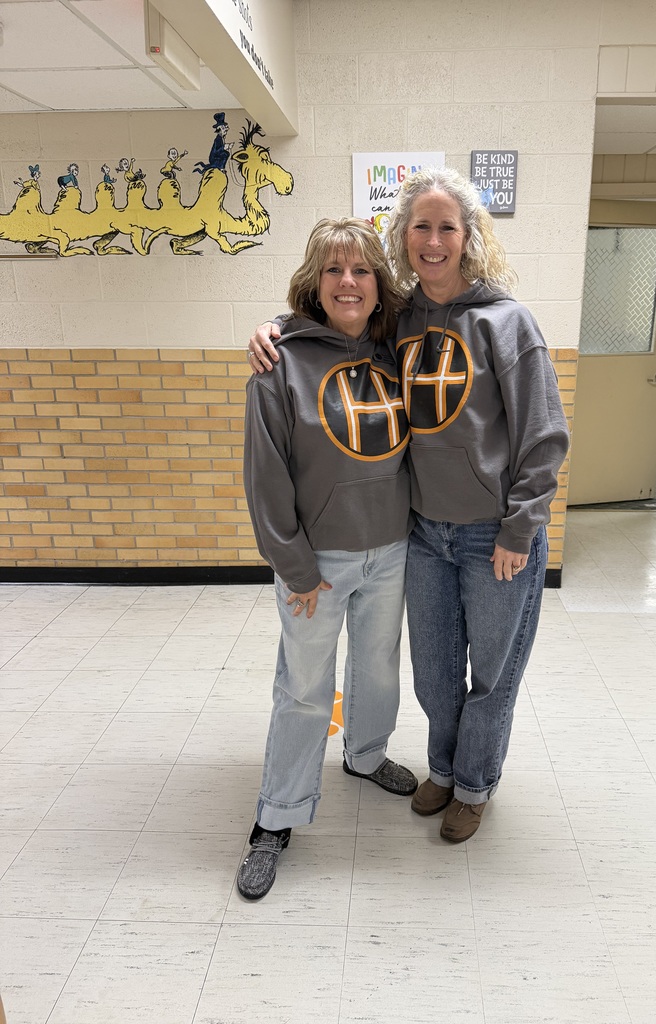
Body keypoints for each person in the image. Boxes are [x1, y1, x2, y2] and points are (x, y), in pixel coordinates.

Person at [249, 167, 569, 843]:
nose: (433, 240)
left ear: (468, 236)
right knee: (431, 675)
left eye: (446, 226)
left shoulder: (507, 323)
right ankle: (440, 772)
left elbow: (545, 438)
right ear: (404, 238)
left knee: (491, 674)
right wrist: (274, 328)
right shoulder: (402, 322)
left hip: (494, 538)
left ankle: (473, 784)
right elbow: (329, 325)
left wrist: (520, 527)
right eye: (419, 226)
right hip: (422, 533)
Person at [239, 217, 417, 902]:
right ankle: (275, 818)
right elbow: (266, 476)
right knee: (306, 689)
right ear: (316, 281)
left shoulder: (398, 349)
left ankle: (366, 756)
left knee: (376, 669)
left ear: (380, 286)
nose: (349, 281)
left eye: (363, 270)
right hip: (316, 561)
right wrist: (295, 566)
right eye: (335, 269)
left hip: (394, 549)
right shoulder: (278, 359)